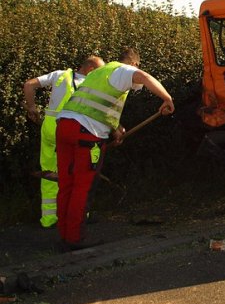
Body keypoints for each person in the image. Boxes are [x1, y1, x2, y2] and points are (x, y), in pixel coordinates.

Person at [55, 47, 175, 250]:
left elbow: (97, 107)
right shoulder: (123, 70)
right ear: (134, 63)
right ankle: (74, 240)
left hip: (65, 126)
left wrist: (115, 130)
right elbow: (143, 77)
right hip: (86, 133)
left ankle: (64, 237)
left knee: (67, 184)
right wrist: (167, 98)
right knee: (82, 187)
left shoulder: (99, 73)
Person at [23, 55, 105, 228]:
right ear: (90, 69)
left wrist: (32, 107)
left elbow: (29, 85)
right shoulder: (90, 85)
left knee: (48, 170)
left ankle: (49, 219)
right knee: (78, 172)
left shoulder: (60, 74)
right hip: (71, 129)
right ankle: (79, 215)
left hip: (49, 126)